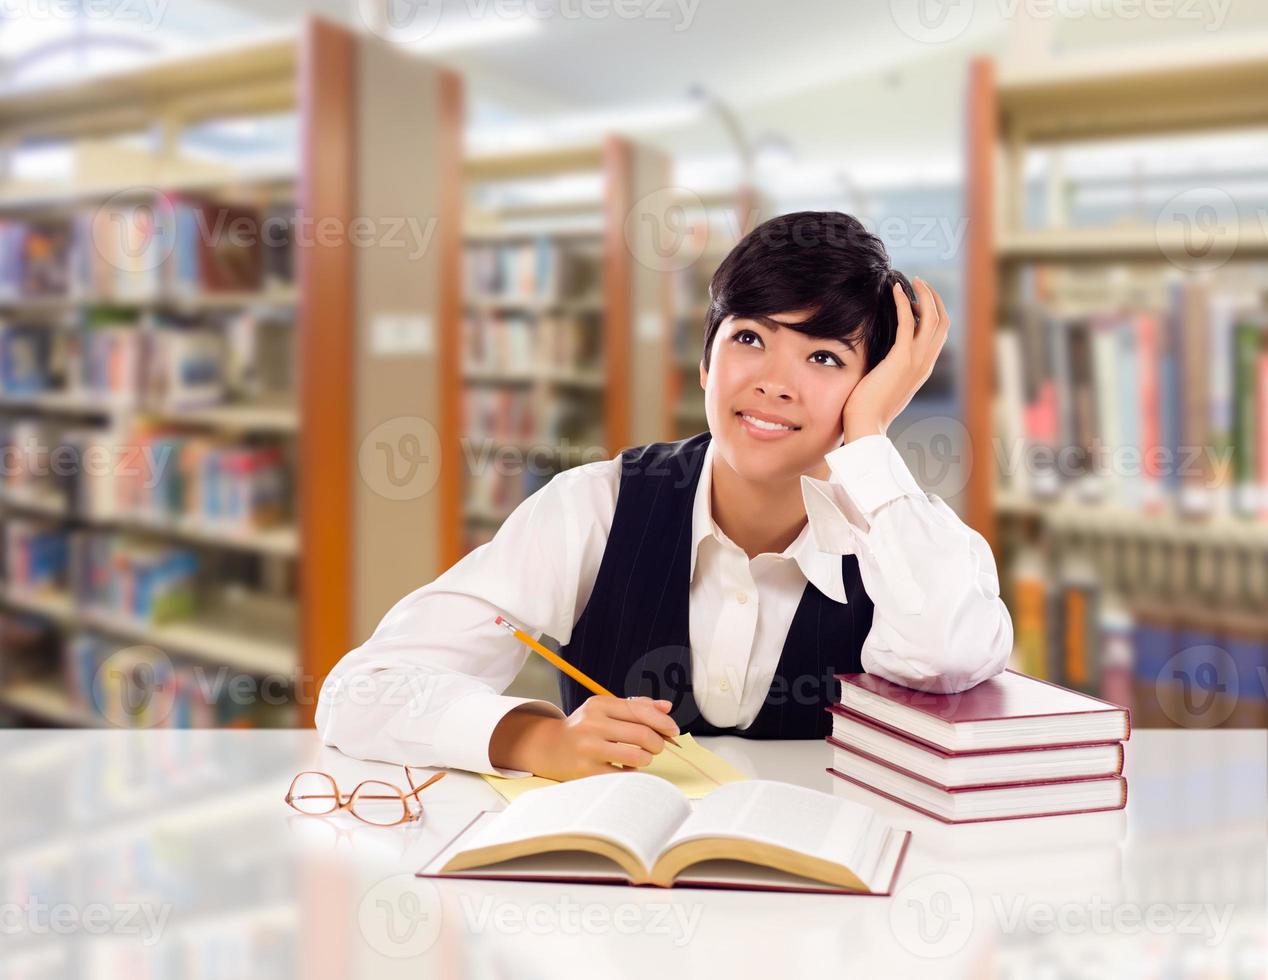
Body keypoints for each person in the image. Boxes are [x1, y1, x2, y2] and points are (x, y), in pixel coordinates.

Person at [316, 211, 1013, 780]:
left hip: (832, 907)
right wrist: (531, 740)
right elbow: (361, 690)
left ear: (873, 387)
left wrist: (869, 440)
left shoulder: (902, 535)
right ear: (707, 361)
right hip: (618, 902)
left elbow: (947, 660)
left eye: (824, 357)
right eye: (749, 338)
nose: (774, 382)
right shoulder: (597, 505)